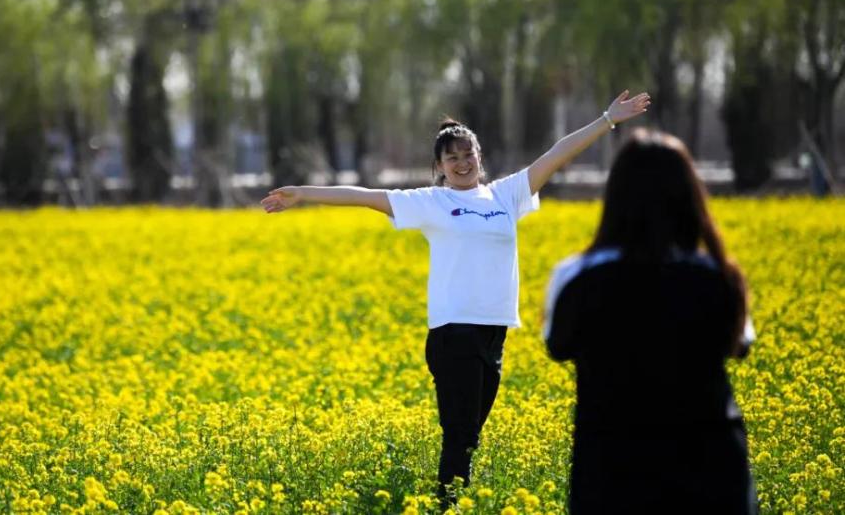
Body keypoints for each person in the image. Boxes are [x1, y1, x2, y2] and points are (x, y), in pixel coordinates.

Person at [261, 90, 651, 506]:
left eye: (469, 155)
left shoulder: (505, 195)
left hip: (495, 332)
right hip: (453, 333)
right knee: (460, 435)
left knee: (469, 438)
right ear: (439, 167)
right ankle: (448, 506)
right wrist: (302, 193)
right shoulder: (432, 202)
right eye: (452, 159)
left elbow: (556, 155)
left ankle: (451, 501)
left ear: (479, 157)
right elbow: (362, 195)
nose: (462, 164)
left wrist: (607, 119)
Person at [543, 129, 757, 514]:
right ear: (691, 197)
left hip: (612, 476)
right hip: (711, 472)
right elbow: (739, 345)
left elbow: (557, 346)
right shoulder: (720, 275)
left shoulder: (576, 276)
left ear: (615, 196)